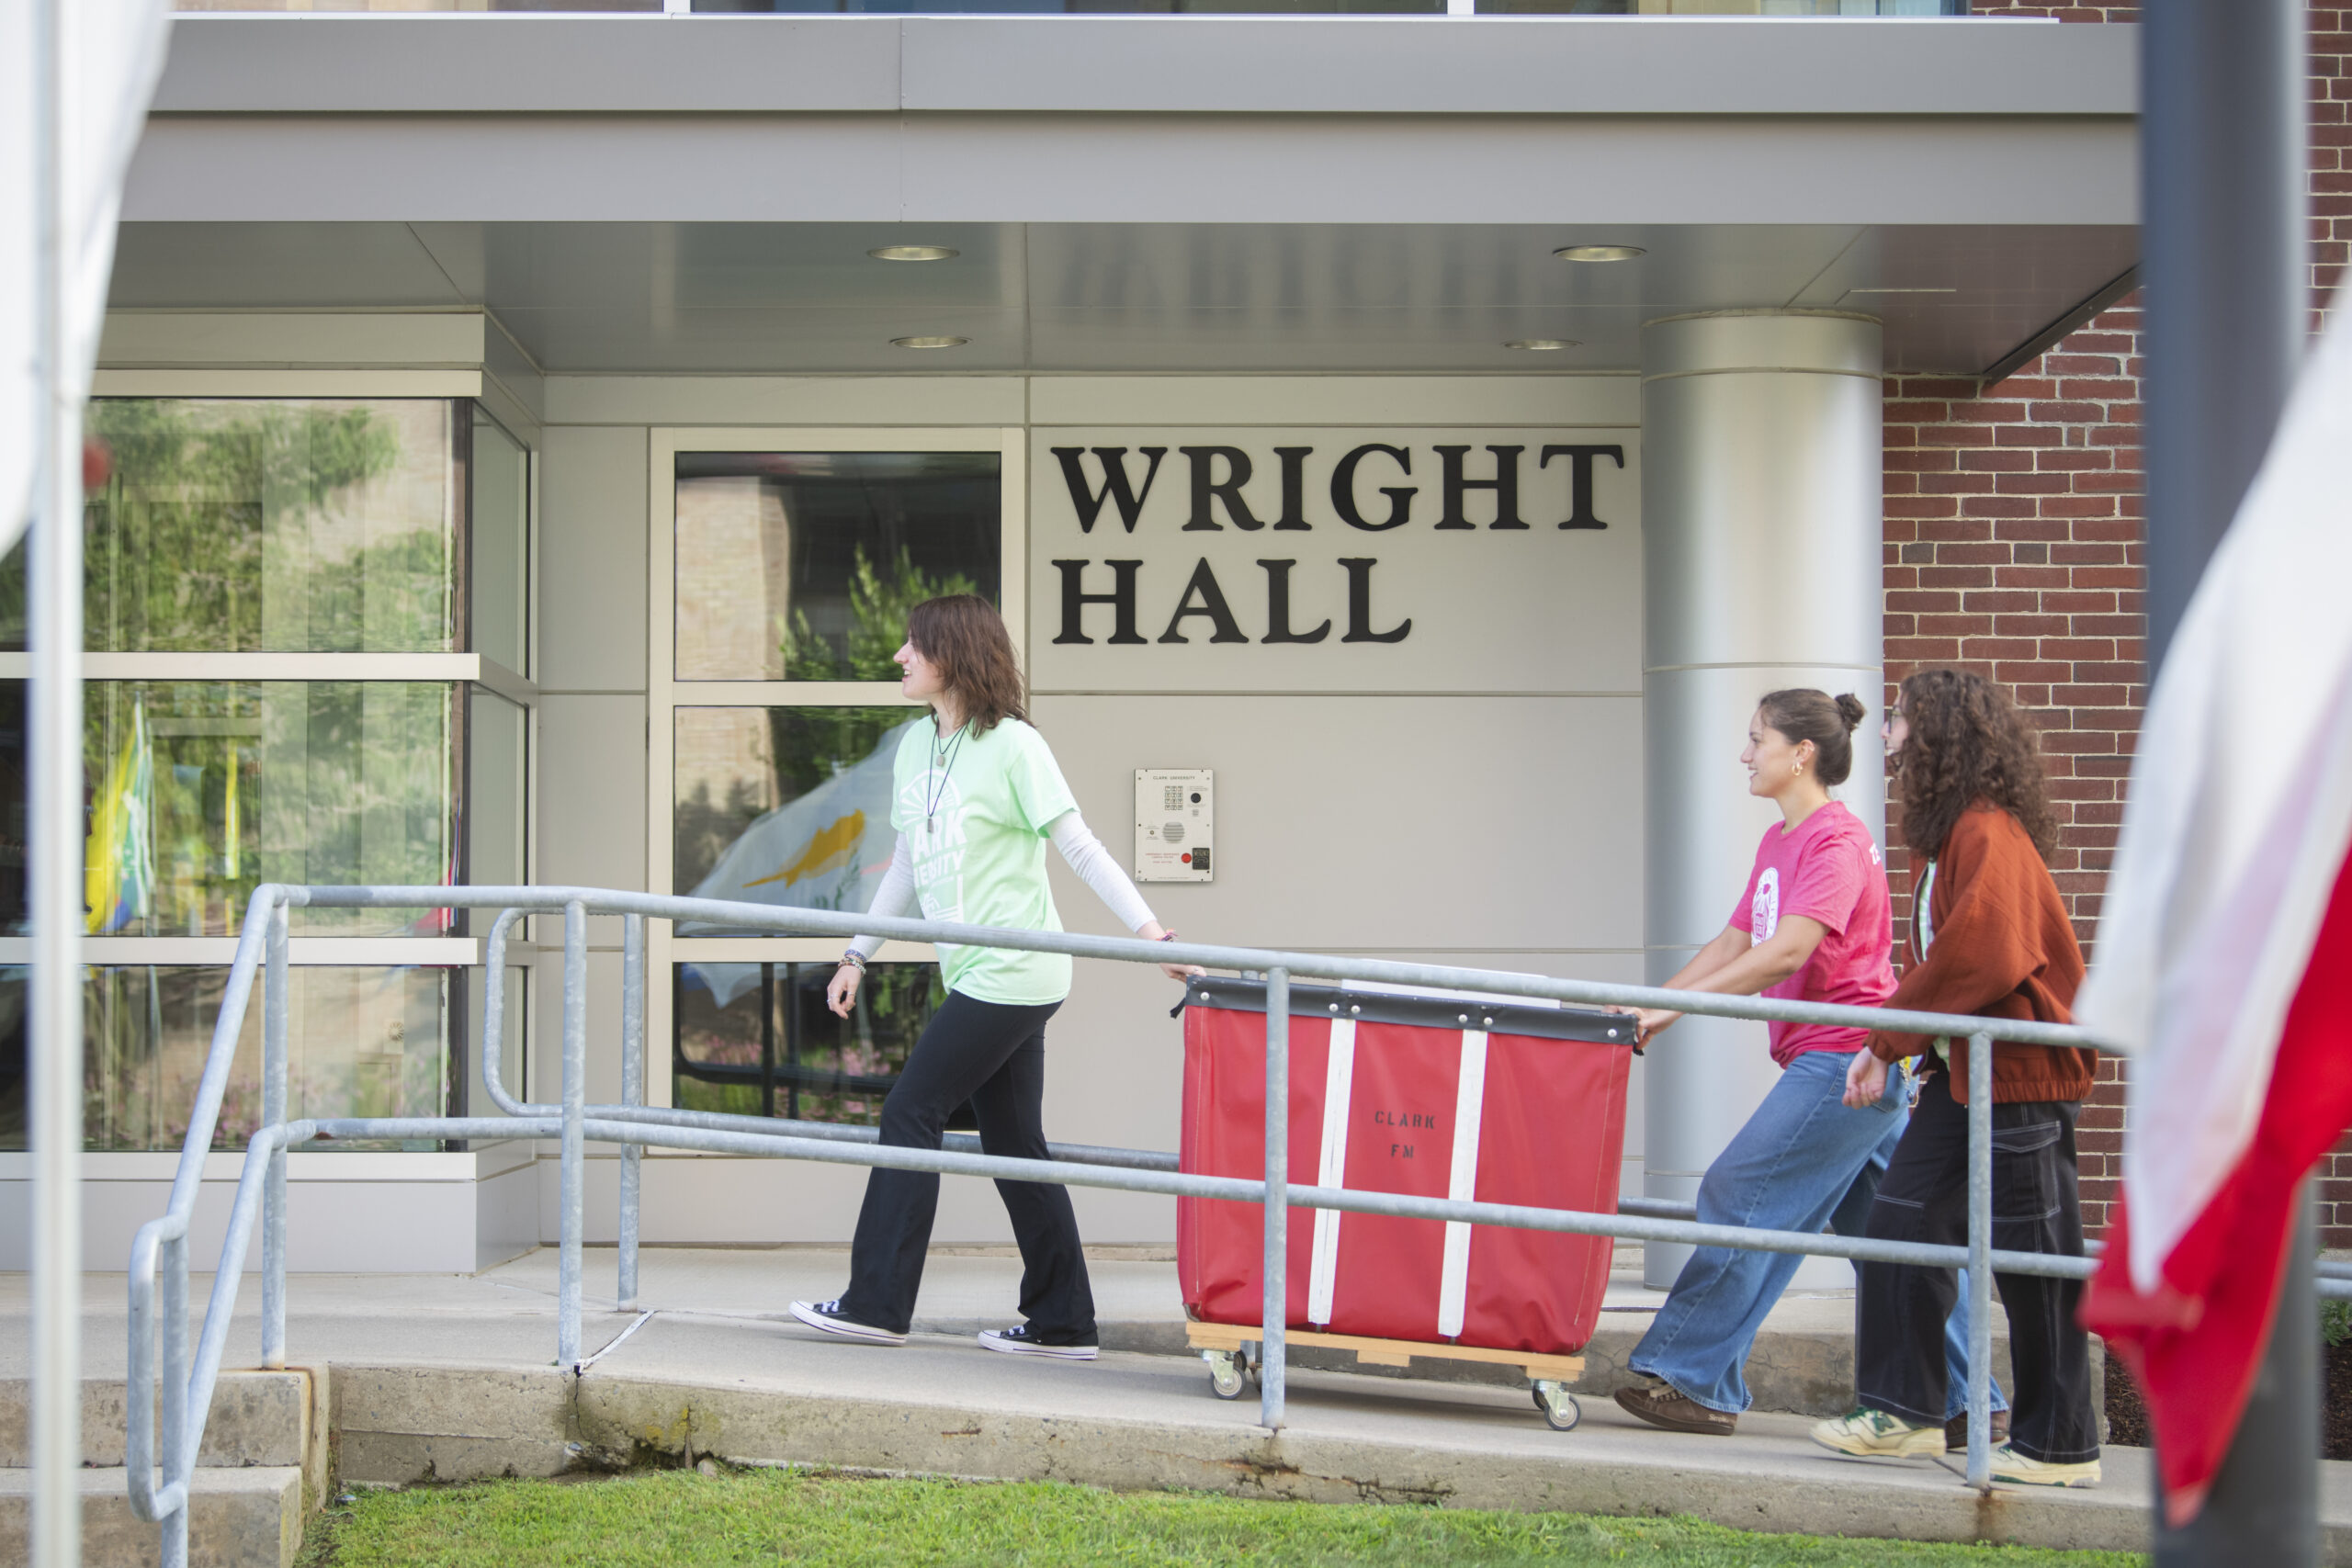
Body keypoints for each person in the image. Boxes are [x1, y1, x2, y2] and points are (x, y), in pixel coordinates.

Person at [788, 594, 1193, 1360]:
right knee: (1014, 1144)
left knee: (911, 1108)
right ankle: (1063, 1320)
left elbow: (1079, 846)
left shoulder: (1013, 746)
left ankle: (876, 1302)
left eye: (914, 645)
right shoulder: (915, 746)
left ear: (953, 652)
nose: (900, 657)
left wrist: (1150, 935)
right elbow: (907, 862)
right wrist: (856, 954)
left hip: (1016, 967)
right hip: (979, 971)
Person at [1615, 689, 2006, 1442]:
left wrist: (1668, 1013)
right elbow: (1733, 944)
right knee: (1892, 1247)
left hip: (1847, 1059)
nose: (1744, 753)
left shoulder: (1836, 842)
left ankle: (1695, 1378)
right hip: (1840, 1063)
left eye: (1756, 739)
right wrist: (1646, 1005)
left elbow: (1787, 951)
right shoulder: (1780, 842)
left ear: (1802, 754)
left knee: (1739, 1189)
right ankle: (1969, 1402)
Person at [1810, 668, 2100, 1487]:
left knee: (2034, 1263)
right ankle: (1903, 1412)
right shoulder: (1954, 834)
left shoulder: (1986, 830)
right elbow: (1958, 963)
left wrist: (1888, 1038)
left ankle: (2061, 1446)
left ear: (1937, 732)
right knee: (1900, 1220)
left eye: (1898, 718)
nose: (1887, 731)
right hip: (1968, 1080)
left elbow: (1984, 956)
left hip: (2019, 1080)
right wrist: (1902, 1044)